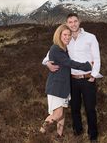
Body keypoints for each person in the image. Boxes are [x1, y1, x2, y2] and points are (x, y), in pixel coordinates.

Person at [42, 13, 102, 142]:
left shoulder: (90, 38)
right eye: (70, 22)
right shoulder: (65, 39)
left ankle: (93, 136)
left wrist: (93, 74)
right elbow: (47, 57)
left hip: (87, 78)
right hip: (71, 80)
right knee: (74, 108)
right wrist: (47, 64)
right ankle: (77, 132)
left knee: (90, 108)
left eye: (75, 21)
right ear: (67, 23)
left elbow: (96, 58)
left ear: (79, 22)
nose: (73, 24)